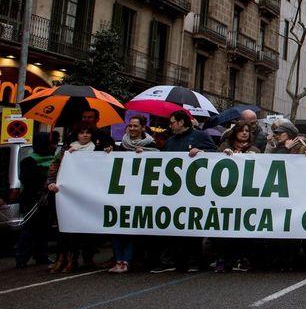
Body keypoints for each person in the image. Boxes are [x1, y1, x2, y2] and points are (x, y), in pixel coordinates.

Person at [149, 110, 216, 273]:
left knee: (192, 227)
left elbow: (216, 154)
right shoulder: (170, 142)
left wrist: (202, 153)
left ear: (181, 122)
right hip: (173, 192)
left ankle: (194, 261)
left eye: (172, 122)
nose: (170, 125)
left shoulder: (200, 136)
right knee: (170, 225)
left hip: (194, 190)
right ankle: (169, 261)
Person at [106, 115, 159, 273]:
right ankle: (118, 259)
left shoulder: (152, 145)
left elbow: (158, 160)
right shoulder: (120, 146)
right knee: (116, 226)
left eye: (136, 126)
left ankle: (127, 261)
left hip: (139, 194)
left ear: (143, 127)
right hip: (121, 193)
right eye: (130, 126)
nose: (132, 129)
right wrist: (108, 153)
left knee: (132, 229)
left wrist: (145, 155)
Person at [46, 124, 97, 273]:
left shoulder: (96, 150)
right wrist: (51, 183)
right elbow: (54, 166)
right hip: (66, 194)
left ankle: (72, 258)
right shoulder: (67, 150)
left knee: (77, 228)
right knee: (63, 227)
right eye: (82, 132)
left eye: (88, 132)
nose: (85, 135)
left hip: (85, 194)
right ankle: (61, 258)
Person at [214, 121, 261, 273]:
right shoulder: (224, 148)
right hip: (227, 196)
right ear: (235, 132)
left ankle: (241, 259)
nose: (245, 133)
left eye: (247, 130)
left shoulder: (254, 150)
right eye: (241, 130)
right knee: (224, 230)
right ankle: (222, 259)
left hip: (246, 195)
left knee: (243, 231)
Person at [15, 132, 57, 269]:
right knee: (29, 229)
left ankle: (41, 255)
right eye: (51, 143)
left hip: (46, 201)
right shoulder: (29, 161)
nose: (54, 146)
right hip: (32, 201)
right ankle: (22, 257)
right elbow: (27, 180)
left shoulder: (53, 160)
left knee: (44, 229)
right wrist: (44, 180)